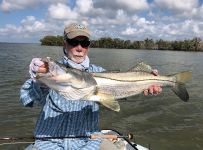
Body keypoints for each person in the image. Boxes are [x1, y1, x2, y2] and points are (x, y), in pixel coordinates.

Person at [20, 23, 162, 150]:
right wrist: (38, 80)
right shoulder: (52, 72)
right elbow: (26, 99)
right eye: (73, 42)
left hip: (88, 143)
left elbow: (118, 97)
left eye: (84, 43)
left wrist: (144, 82)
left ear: (89, 46)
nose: (79, 48)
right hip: (49, 143)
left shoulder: (99, 72)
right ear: (65, 44)